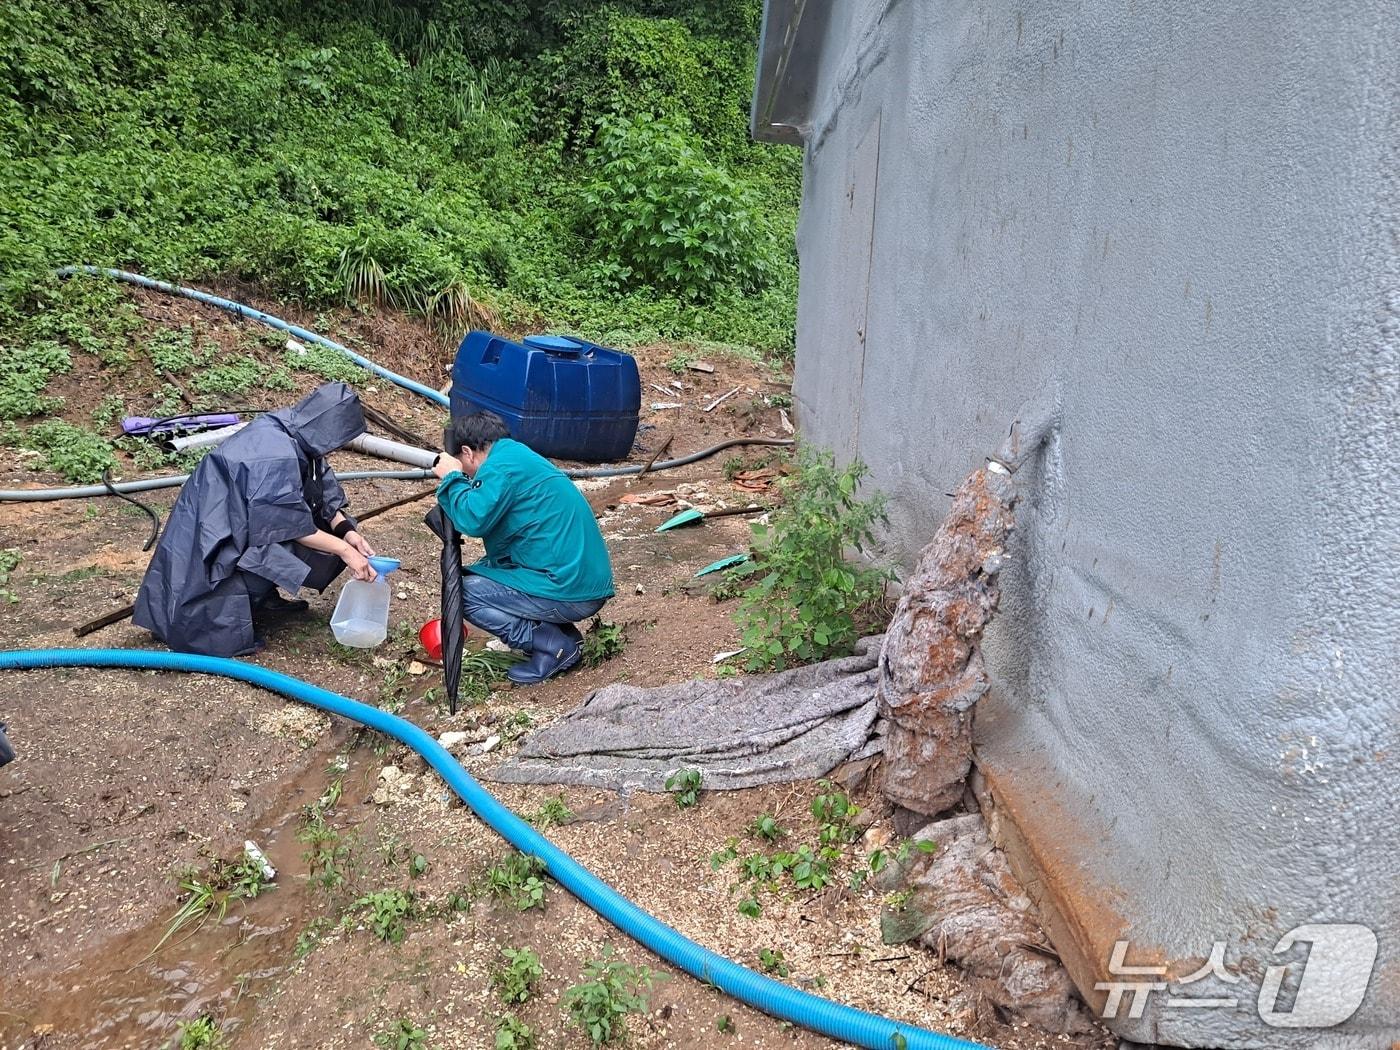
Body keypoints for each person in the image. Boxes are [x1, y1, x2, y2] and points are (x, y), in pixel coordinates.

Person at [133, 382, 377, 657]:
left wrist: (347, 532)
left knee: (322, 533)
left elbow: (323, 495)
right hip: (217, 535)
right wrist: (345, 551)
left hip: (239, 520)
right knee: (280, 548)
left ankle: (261, 598)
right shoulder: (276, 453)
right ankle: (238, 607)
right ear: (327, 431)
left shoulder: (297, 436)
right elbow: (287, 524)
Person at [432, 410, 613, 684]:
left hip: (570, 588)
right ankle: (563, 637)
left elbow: (473, 518)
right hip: (579, 579)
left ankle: (553, 647)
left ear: (467, 453)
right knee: (483, 570)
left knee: (463, 592)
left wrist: (451, 479)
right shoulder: (517, 456)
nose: (469, 477)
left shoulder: (499, 468)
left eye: (463, 466)